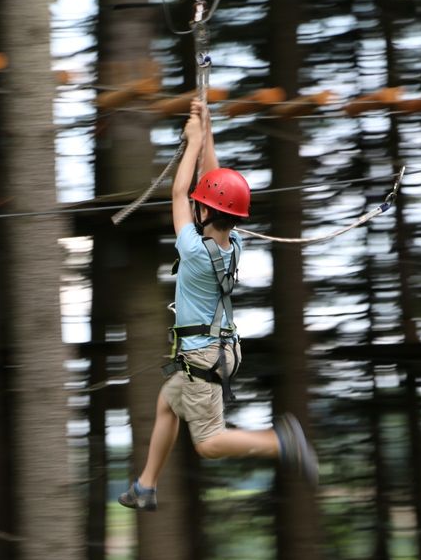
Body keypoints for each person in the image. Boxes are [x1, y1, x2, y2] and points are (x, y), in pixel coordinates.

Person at [118, 101, 318, 511]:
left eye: (201, 203)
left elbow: (179, 192)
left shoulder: (193, 250)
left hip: (203, 355)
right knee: (167, 404)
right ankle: (146, 485)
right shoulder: (234, 243)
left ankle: (280, 443)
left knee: (208, 443)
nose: (195, 205)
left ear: (207, 210)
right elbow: (213, 180)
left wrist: (193, 141)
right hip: (221, 349)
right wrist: (207, 131)